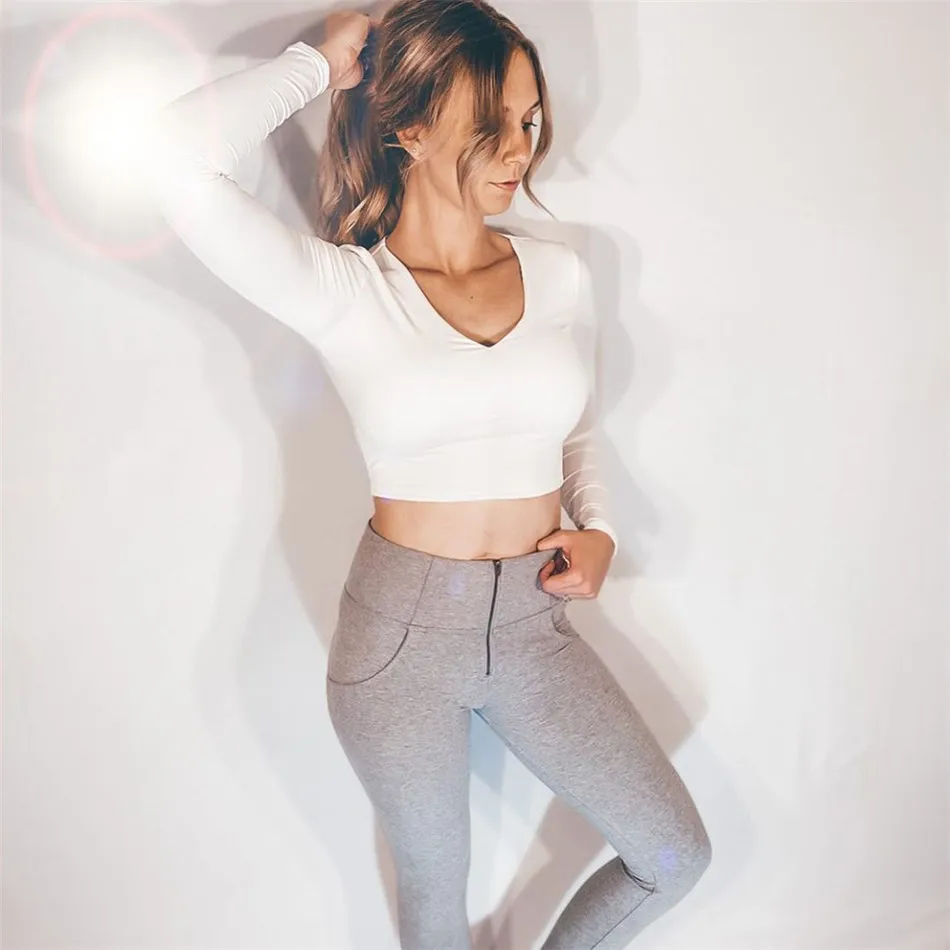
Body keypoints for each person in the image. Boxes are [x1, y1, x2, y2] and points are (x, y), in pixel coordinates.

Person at [146, 1, 712, 947]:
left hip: (534, 624)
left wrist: (601, 529)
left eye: (529, 119)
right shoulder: (343, 290)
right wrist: (320, 64)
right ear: (408, 128)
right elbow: (171, 161)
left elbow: (574, 429)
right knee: (435, 891)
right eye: (493, 121)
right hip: (398, 644)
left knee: (672, 855)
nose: (520, 148)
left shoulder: (562, 274)